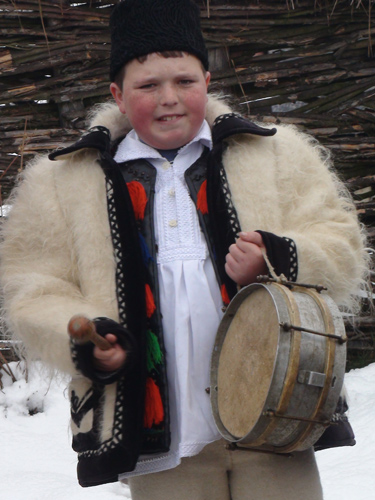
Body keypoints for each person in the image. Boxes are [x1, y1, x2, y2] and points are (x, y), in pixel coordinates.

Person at [0, 0, 369, 498]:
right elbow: (32, 288)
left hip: (275, 418)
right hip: (161, 444)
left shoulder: (277, 153)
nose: (169, 98)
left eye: (185, 82)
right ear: (118, 94)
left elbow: (342, 242)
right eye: (148, 85)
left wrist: (278, 255)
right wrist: (88, 339)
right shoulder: (61, 184)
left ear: (207, 82)